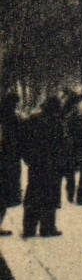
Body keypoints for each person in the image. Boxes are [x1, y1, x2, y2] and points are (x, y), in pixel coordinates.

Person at [19, 96, 68, 238]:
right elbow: (62, 145)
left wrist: (28, 158)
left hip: (36, 164)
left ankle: (29, 228)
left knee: (33, 194)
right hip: (52, 165)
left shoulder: (33, 120)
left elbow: (23, 141)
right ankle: (47, 228)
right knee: (50, 196)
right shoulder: (57, 122)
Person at [0, 92, 22, 235]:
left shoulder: (11, 117)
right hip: (7, 160)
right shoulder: (11, 118)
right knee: (4, 194)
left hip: (8, 159)